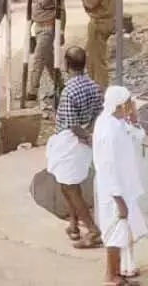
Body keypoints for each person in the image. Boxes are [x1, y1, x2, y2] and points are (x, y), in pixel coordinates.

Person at [46, 46, 103, 248]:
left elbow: (72, 123)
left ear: (67, 64)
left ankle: (92, 229)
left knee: (69, 187)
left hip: (71, 140)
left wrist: (84, 137)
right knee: (69, 184)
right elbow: (99, 114)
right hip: (83, 140)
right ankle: (73, 225)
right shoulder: (94, 86)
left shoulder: (69, 90)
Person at [92, 85, 148, 284]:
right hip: (114, 191)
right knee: (114, 233)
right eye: (130, 104)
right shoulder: (108, 131)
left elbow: (138, 136)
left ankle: (120, 272)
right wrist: (118, 199)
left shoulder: (117, 122)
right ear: (121, 105)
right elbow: (107, 167)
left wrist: (134, 120)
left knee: (122, 231)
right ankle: (111, 275)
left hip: (124, 188)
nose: (133, 107)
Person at [77, 0, 116, 90]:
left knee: (97, 60)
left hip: (99, 24)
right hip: (112, 20)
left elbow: (88, 5)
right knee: (92, 56)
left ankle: (100, 89)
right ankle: (95, 85)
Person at [27, 0, 66, 101]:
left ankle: (32, 91)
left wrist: (61, 31)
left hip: (48, 28)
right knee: (48, 60)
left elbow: (61, 11)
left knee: (38, 59)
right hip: (37, 27)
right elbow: (32, 9)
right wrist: (29, 28)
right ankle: (60, 85)